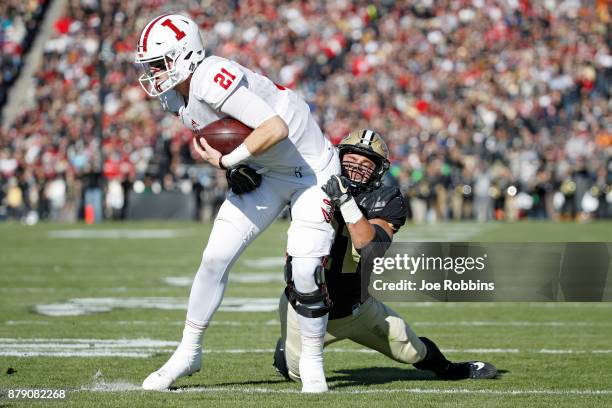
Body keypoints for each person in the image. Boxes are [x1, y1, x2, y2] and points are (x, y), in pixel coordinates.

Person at [135, 13, 339, 392]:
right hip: (268, 171)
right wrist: (234, 163)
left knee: (306, 271)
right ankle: (189, 350)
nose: (154, 74)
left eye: (159, 64)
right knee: (214, 258)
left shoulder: (211, 77)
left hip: (312, 171)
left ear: (185, 55)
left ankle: (312, 361)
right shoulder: (171, 95)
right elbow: (219, 135)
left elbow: (274, 127)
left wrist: (232, 160)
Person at [273, 129, 497, 383]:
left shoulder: (386, 198)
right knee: (296, 372)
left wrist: (345, 201)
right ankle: (286, 350)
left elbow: (368, 245)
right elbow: (271, 179)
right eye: (351, 158)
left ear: (378, 170)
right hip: (302, 306)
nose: (356, 166)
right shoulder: (308, 182)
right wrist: (245, 175)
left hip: (355, 309)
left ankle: (451, 369)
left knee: (412, 350)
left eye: (366, 162)